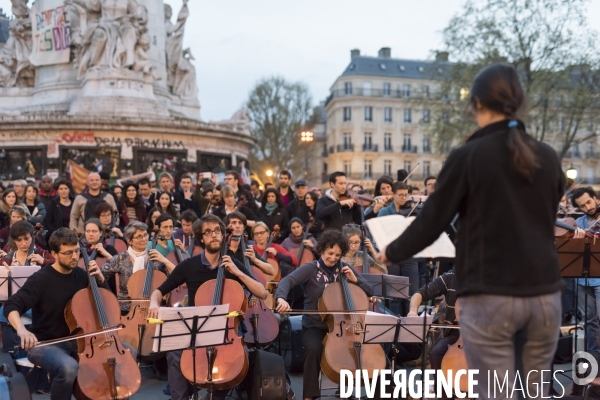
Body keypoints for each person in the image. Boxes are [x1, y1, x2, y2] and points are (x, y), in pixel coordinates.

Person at [377, 63, 565, 398]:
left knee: (496, 393)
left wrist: (390, 251)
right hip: (544, 296)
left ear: (476, 104)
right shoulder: (548, 156)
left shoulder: (469, 155)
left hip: (491, 294)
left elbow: (431, 221)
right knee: (533, 393)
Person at [147, 214, 268, 400]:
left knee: (239, 359)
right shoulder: (189, 265)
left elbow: (262, 293)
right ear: (201, 238)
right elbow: (158, 291)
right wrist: (154, 303)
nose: (214, 235)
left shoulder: (232, 263)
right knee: (174, 354)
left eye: (217, 231)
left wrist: (237, 272)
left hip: (226, 329)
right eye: (208, 232)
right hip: (197, 329)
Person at [2, 228, 108, 400]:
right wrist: (21, 329)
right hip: (45, 344)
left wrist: (101, 281)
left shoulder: (82, 275)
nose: (74, 257)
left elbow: (105, 304)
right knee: (68, 367)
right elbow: (12, 305)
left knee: (127, 352)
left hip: (82, 340)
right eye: (68, 253)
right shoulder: (41, 279)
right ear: (54, 254)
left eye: (76, 251)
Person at [275, 229, 374, 400]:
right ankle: (310, 396)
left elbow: (370, 290)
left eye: (337, 255)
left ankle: (345, 390)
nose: (333, 258)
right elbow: (287, 281)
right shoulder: (310, 269)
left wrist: (356, 279)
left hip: (342, 326)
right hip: (314, 325)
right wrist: (281, 299)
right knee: (314, 349)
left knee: (352, 348)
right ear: (321, 250)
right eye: (330, 253)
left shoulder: (344, 268)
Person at [101, 221, 174, 314]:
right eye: (139, 237)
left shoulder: (156, 257)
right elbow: (100, 277)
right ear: (129, 240)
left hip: (152, 308)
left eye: (145, 235)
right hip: (126, 310)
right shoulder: (120, 259)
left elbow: (177, 276)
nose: (144, 239)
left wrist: (165, 260)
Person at [408, 269, 458, 399]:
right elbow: (420, 294)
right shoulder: (451, 277)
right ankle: (443, 396)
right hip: (455, 332)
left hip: (481, 333)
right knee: (436, 353)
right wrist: (413, 310)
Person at [569, 187, 600, 361]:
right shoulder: (578, 223)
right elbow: (570, 253)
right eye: (583, 206)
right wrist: (577, 243)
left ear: (595, 198)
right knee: (588, 321)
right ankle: (594, 358)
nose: (588, 207)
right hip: (582, 280)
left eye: (589, 202)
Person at [223, 212, 274, 277]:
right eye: (234, 222)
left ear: (243, 228)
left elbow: (271, 271)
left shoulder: (247, 250)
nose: (238, 226)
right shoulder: (220, 249)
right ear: (227, 227)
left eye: (240, 223)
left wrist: (254, 260)